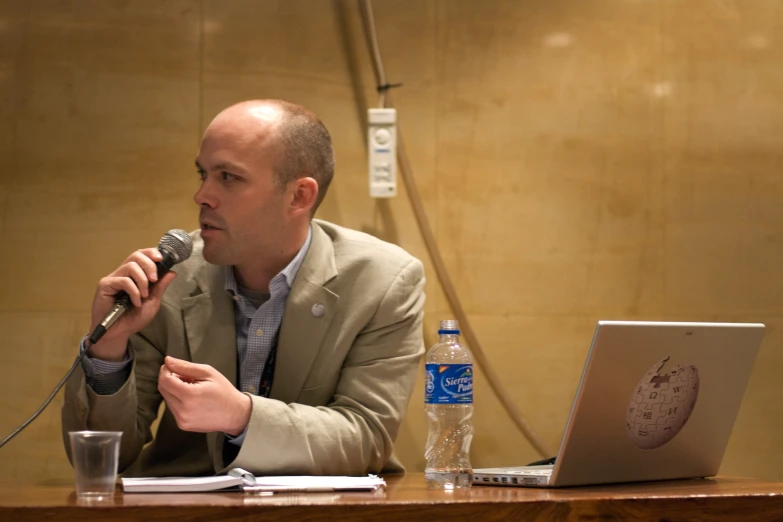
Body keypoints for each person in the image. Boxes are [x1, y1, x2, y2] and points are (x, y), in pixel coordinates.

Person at [61, 100, 426, 477]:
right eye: (202, 174)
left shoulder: (382, 281)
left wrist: (241, 416)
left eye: (228, 177)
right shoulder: (170, 277)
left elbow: (366, 438)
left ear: (299, 196)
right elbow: (104, 457)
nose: (201, 195)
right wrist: (108, 349)